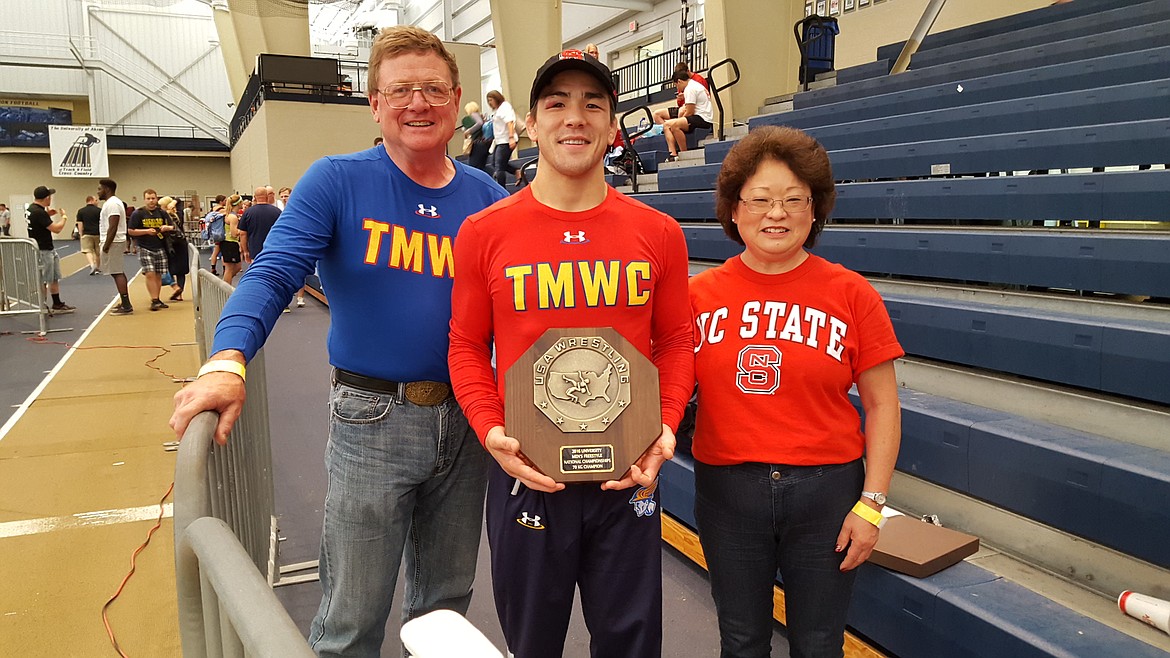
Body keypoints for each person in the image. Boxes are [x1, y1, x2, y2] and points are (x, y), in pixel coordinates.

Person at [169, 25, 507, 658]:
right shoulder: (337, 180)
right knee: (351, 615)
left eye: (434, 89)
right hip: (372, 418)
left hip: (468, 421)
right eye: (401, 89)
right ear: (374, 104)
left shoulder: (489, 199)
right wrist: (227, 357)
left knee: (445, 607)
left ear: (458, 100)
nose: (419, 103)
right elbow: (272, 273)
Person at [448, 49, 694, 658]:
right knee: (532, 643)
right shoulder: (486, 231)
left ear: (613, 127)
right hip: (527, 470)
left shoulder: (658, 233)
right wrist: (489, 430)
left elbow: (675, 341)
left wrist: (665, 425)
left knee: (632, 643)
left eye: (593, 104)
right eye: (556, 104)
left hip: (628, 473)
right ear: (531, 123)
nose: (574, 118)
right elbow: (465, 345)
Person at [688, 125, 903, 658]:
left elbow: (882, 406)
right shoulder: (696, 297)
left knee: (819, 643)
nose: (776, 214)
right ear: (734, 212)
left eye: (792, 200)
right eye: (759, 199)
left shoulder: (852, 294)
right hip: (728, 492)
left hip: (827, 494)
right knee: (741, 641)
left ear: (815, 210)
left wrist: (872, 505)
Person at [26, 186, 76, 314]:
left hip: (46, 247)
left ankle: (57, 303)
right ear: (47, 198)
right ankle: (42, 306)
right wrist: (64, 217)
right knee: (44, 278)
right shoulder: (39, 212)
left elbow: (37, 221)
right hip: (43, 249)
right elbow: (56, 229)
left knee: (53, 277)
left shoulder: (32, 209)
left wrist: (47, 215)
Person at [128, 189, 176, 311]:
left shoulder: (162, 213)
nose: (151, 201)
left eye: (153, 198)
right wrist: (146, 231)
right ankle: (154, 299)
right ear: (144, 199)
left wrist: (166, 228)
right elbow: (130, 230)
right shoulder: (138, 213)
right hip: (144, 247)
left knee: (159, 274)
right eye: (148, 198)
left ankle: (157, 298)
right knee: (150, 273)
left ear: (156, 199)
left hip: (160, 246)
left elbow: (172, 226)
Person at [98, 178, 134, 316]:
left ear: (107, 189)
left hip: (114, 242)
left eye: (99, 189)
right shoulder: (111, 203)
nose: (98, 192)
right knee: (116, 272)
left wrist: (106, 245)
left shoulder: (113, 204)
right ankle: (125, 303)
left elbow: (113, 225)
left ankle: (126, 305)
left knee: (117, 272)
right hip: (113, 241)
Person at [663, 69, 714, 161]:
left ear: (679, 81)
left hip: (703, 118)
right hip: (700, 116)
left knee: (675, 125)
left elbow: (690, 112)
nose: (677, 89)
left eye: (676, 85)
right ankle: (673, 154)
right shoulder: (694, 85)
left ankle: (684, 153)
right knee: (666, 125)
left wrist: (679, 120)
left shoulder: (690, 89)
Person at [237, 186, 281, 264]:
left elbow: (242, 234)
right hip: (273, 251)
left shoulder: (248, 213)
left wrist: (245, 251)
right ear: (267, 197)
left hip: (255, 251)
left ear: (254, 197)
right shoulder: (277, 212)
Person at [486, 89, 519, 187]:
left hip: (506, 140)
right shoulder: (497, 110)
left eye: (491, 100)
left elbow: (510, 122)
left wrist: (511, 137)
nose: (489, 103)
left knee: (499, 168)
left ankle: (502, 190)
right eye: (488, 101)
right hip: (499, 141)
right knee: (494, 164)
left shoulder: (504, 107)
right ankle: (516, 171)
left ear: (497, 98)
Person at [159, 195, 190, 301]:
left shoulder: (165, 217)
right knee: (181, 272)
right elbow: (179, 201)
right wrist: (174, 202)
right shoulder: (179, 214)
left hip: (170, 245)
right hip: (181, 244)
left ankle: (175, 288)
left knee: (169, 269)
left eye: (161, 206)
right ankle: (179, 292)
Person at [219, 194, 244, 285]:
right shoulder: (233, 217)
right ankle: (225, 287)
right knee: (229, 268)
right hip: (230, 243)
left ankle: (224, 283)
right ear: (238, 203)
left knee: (237, 267)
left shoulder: (230, 215)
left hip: (230, 243)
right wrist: (243, 230)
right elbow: (234, 233)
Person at [76, 196, 103, 274]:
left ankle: (92, 265)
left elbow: (80, 224)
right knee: (98, 252)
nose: (97, 202)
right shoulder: (99, 211)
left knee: (87, 251)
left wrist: (81, 234)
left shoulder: (81, 211)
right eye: (96, 200)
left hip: (87, 233)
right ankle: (97, 267)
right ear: (91, 200)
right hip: (98, 233)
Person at [462, 101, 491, 173]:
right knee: (481, 166)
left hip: (477, 144)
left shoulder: (474, 115)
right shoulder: (482, 117)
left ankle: (492, 174)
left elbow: (479, 123)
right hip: (484, 143)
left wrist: (469, 131)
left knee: (474, 166)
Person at [206, 194, 227, 275]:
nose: (226, 202)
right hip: (221, 233)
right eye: (225, 200)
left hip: (215, 233)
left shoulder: (213, 210)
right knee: (223, 252)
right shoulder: (222, 210)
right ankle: (225, 269)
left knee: (216, 251)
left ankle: (213, 268)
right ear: (221, 201)